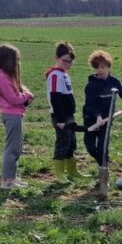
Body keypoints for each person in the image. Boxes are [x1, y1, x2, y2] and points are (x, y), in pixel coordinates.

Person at [0, 43, 34, 190]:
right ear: (7, 60)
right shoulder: (2, 77)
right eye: (15, 60)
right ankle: (7, 181)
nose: (17, 63)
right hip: (11, 115)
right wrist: (26, 96)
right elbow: (13, 98)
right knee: (12, 149)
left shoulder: (7, 76)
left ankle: (12, 178)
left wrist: (24, 93)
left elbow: (17, 91)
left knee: (16, 148)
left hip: (16, 115)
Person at [45, 41, 87, 183]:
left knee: (71, 143)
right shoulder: (55, 75)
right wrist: (60, 120)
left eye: (70, 62)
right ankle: (59, 174)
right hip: (60, 117)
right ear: (57, 58)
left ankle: (72, 171)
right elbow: (56, 98)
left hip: (69, 115)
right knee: (62, 143)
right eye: (65, 61)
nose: (68, 64)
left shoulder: (64, 75)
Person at [82, 50, 122, 168]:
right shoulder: (91, 85)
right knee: (90, 146)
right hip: (91, 118)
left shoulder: (114, 82)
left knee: (103, 145)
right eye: (97, 67)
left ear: (108, 66)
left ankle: (104, 168)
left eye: (103, 67)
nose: (100, 70)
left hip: (107, 118)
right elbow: (91, 103)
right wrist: (97, 116)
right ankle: (103, 162)